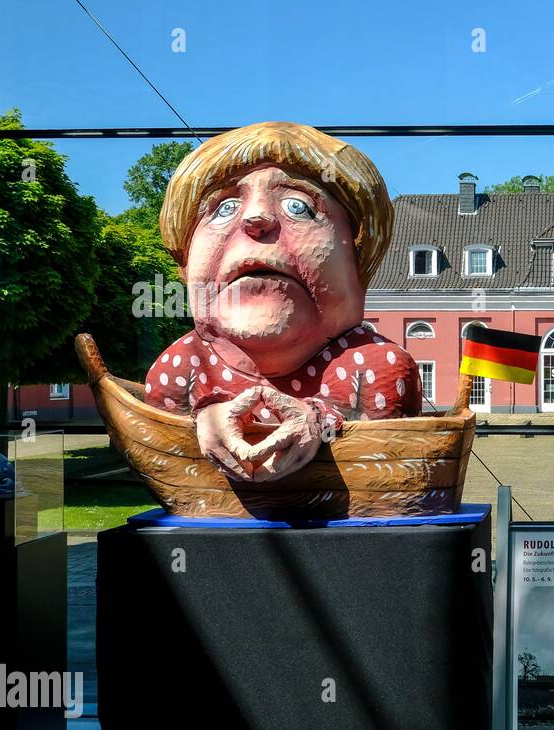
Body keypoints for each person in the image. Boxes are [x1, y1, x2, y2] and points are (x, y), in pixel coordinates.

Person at [147, 122, 420, 481]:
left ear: (358, 259)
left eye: (299, 206)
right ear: (185, 263)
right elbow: (162, 452)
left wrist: (321, 421)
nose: (255, 217)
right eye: (224, 208)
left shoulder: (376, 365)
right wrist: (204, 413)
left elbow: (390, 470)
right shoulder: (184, 363)